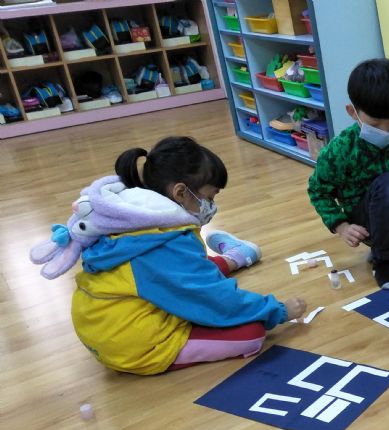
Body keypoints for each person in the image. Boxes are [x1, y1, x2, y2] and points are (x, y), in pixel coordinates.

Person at [30, 137, 306, 375]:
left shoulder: (133, 214)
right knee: (251, 334)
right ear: (181, 192)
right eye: (209, 198)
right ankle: (235, 257)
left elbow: (179, 276)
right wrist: (277, 311)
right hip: (132, 345)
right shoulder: (169, 240)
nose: (211, 206)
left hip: (101, 323)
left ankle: (235, 256)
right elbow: (215, 299)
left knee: (191, 272)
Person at [307, 58, 389, 287]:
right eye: (375, 124)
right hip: (369, 223)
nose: (386, 131)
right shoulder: (341, 149)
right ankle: (383, 262)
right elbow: (318, 190)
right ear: (352, 112)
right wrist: (341, 225)